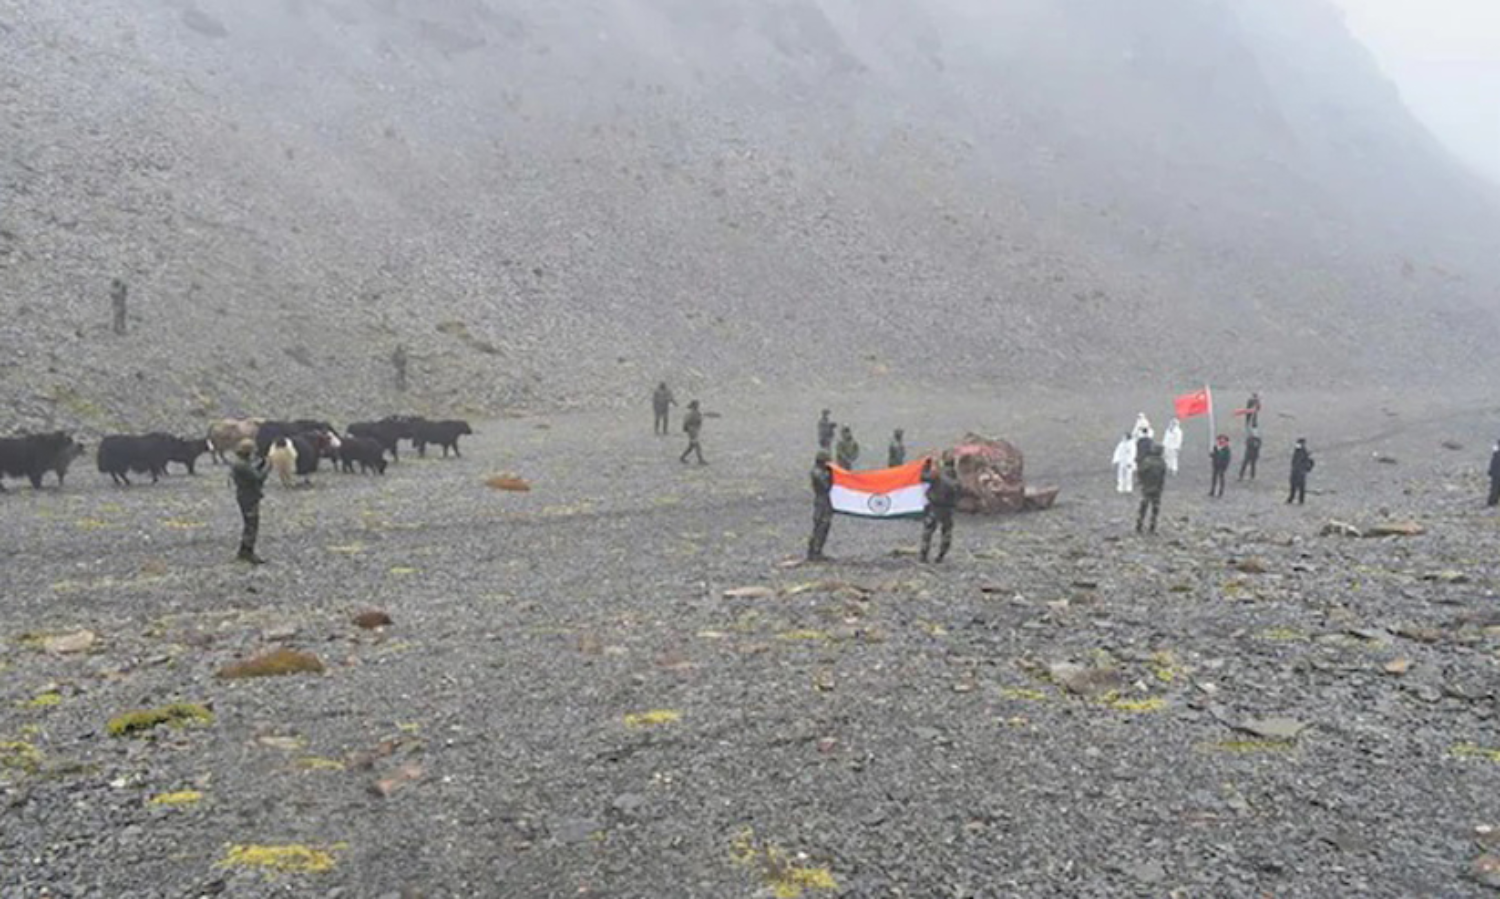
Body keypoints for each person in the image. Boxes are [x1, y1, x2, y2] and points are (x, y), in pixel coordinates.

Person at [230, 438, 269, 564]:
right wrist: (268, 467)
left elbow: (252, 472)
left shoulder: (241, 463)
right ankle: (248, 552)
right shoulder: (242, 465)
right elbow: (258, 478)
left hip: (245, 496)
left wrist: (260, 465)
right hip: (249, 498)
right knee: (252, 525)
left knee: (249, 525)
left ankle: (244, 551)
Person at [920, 455, 959, 563]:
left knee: (928, 532)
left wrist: (925, 466)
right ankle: (941, 556)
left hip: (935, 507)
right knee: (946, 532)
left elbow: (923, 477)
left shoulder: (938, 476)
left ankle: (924, 555)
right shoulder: (956, 480)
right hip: (948, 510)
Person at [808, 450, 834, 561]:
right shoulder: (817, 472)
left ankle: (818, 551)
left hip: (825, 501)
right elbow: (825, 485)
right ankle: (814, 551)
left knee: (824, 527)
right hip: (821, 502)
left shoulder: (821, 471)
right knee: (820, 526)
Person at [1136, 444, 1167, 534]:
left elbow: (1140, 472)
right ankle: (1152, 526)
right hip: (1157, 488)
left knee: (1143, 506)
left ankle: (1139, 524)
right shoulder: (1162, 463)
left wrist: (1142, 482)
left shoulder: (1147, 461)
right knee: (1155, 508)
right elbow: (1162, 476)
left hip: (1147, 487)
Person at [1287, 438, 1314, 504]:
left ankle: (1295, 500)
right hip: (1298, 472)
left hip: (1298, 472)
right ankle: (1297, 500)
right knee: (1297, 487)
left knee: (1296, 487)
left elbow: (1295, 462)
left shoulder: (1299, 451)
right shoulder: (1300, 451)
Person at [680, 400, 705, 464]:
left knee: (691, 447)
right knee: (697, 446)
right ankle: (700, 460)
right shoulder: (693, 413)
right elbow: (690, 422)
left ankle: (682, 457)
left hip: (693, 431)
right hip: (692, 431)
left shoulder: (694, 413)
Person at [1488, 441, 1500, 507]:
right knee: (1495, 489)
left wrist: (1490, 471)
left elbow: (1493, 463)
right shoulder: (1497, 454)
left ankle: (1492, 502)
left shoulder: (1496, 453)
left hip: (1495, 474)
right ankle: (1492, 503)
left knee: (1495, 488)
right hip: (1497, 474)